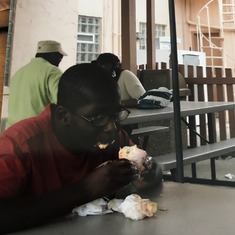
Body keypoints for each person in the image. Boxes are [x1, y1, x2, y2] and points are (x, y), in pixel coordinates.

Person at [0, 63, 162, 234]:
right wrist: (85, 190)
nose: (111, 128)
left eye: (115, 115)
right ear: (64, 116)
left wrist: (148, 171)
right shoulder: (18, 146)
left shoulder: (111, 138)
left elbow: (153, 171)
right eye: (98, 117)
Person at [6, 40, 67, 129]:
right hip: (34, 132)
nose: (59, 61)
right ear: (53, 55)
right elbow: (63, 101)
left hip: (11, 132)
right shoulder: (52, 71)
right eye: (60, 57)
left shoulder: (19, 72)